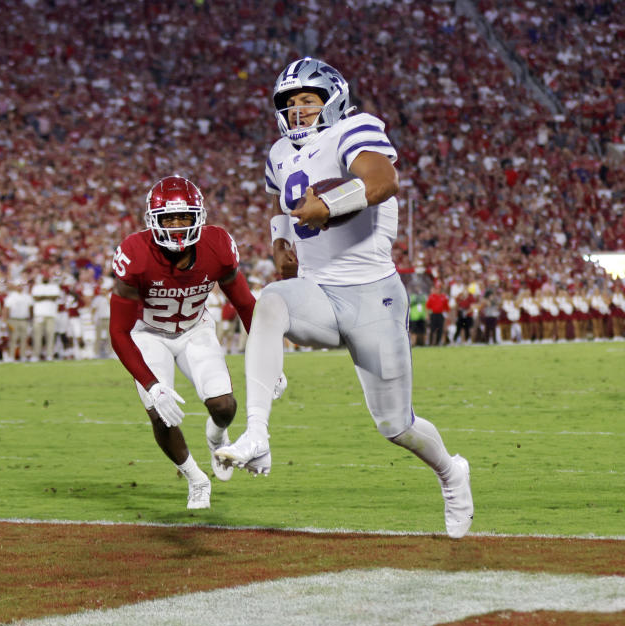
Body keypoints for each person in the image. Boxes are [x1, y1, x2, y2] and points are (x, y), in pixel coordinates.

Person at [214, 58, 473, 538]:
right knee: (269, 299)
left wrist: (326, 206)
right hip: (319, 292)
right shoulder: (278, 154)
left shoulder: (355, 127)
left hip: (374, 297)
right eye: (289, 105)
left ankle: (450, 472)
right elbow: (286, 207)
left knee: (396, 426)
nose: (297, 113)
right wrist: (280, 239)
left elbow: (382, 180)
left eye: (308, 102)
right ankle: (257, 432)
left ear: (333, 98)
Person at [108, 175, 259, 510]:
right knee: (161, 414)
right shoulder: (135, 252)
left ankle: (217, 436)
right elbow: (118, 332)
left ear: (199, 217)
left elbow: (246, 304)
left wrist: (270, 358)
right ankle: (196, 478)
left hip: (195, 329)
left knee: (224, 406)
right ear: (153, 221)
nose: (177, 225)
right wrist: (151, 385)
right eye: (168, 219)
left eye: (184, 217)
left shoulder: (217, 244)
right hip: (148, 334)